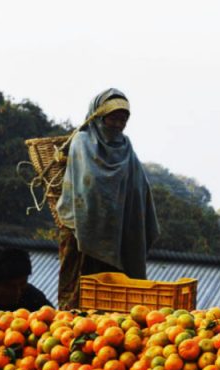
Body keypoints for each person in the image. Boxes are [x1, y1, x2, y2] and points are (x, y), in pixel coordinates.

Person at [56, 88, 159, 309]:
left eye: (124, 119)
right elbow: (88, 184)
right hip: (81, 228)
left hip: (117, 230)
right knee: (78, 292)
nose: (118, 124)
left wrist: (130, 210)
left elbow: (138, 183)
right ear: (99, 116)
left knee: (111, 297)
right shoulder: (82, 141)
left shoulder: (125, 145)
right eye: (113, 118)